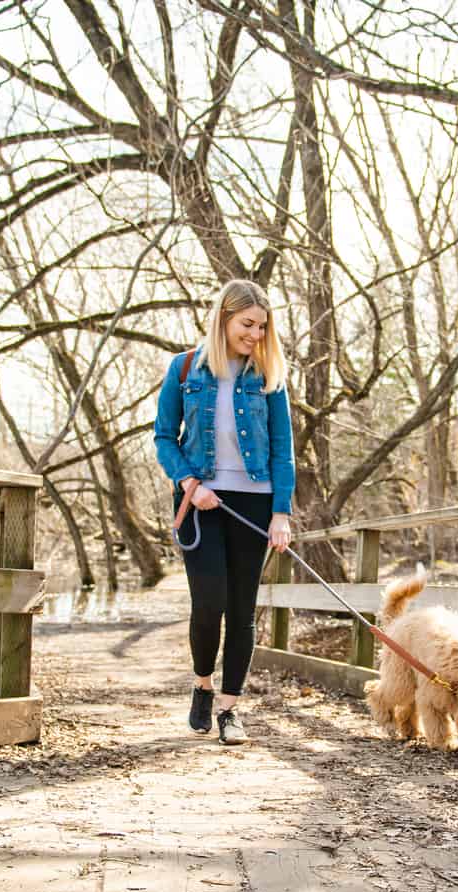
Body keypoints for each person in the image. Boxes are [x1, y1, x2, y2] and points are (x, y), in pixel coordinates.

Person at [153, 279, 295, 745]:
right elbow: (162, 437)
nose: (255, 334)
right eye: (246, 324)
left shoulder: (267, 376)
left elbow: (282, 450)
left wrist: (280, 513)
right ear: (223, 318)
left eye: (262, 326)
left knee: (241, 609)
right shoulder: (185, 368)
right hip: (202, 502)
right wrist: (190, 483)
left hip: (254, 502)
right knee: (209, 601)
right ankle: (202, 685)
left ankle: (230, 710)